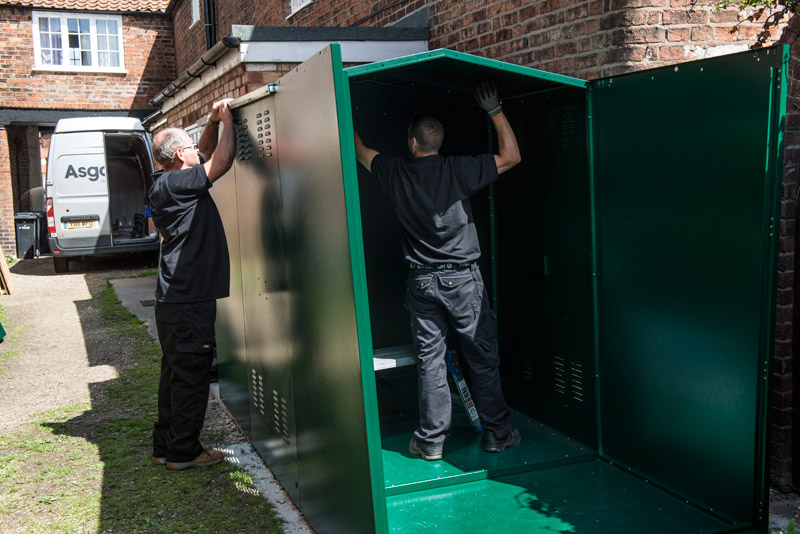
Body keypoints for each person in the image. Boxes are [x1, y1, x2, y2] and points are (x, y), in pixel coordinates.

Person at [354, 82, 522, 461]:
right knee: (480, 358)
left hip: (422, 282)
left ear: (413, 144)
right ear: (437, 144)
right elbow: (511, 156)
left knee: (430, 362)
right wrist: (495, 111)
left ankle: (431, 441)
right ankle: (498, 433)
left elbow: (358, 148)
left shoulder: (394, 170)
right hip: (463, 281)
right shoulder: (460, 169)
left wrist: (338, 103)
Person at [147, 98, 236, 470]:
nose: (196, 150)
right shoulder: (178, 184)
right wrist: (229, 118)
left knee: (174, 373)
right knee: (192, 377)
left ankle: (164, 446)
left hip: (175, 300)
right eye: (190, 147)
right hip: (189, 301)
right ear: (181, 155)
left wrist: (212, 123)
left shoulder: (166, 183)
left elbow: (202, 150)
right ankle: (183, 452)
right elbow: (220, 162)